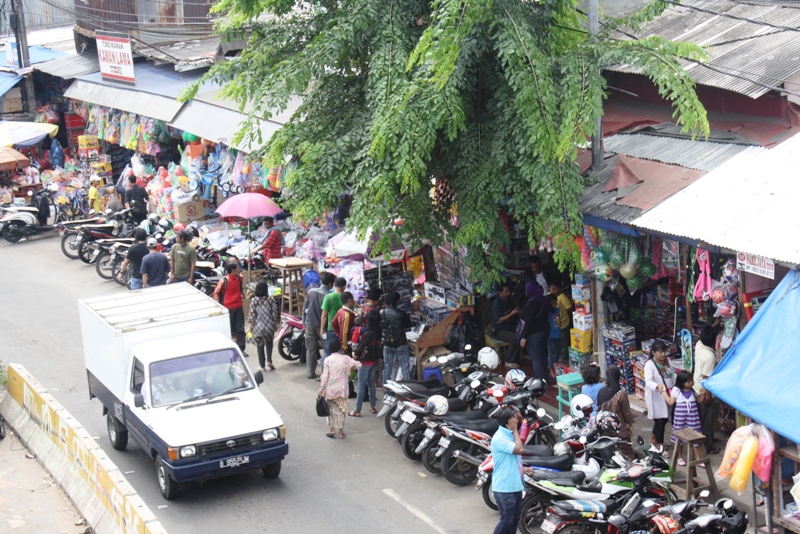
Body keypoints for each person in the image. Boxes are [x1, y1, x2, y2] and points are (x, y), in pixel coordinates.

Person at [490, 406, 536, 534]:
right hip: (505, 488)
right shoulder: (500, 438)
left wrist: (523, 468)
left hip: (515, 486)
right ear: (508, 421)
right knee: (507, 521)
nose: (517, 420)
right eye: (514, 418)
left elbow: (513, 458)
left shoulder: (508, 435)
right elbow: (519, 450)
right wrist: (516, 430)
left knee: (515, 519)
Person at [317, 338, 361, 439]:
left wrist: (321, 390)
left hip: (330, 390)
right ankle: (341, 432)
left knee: (330, 410)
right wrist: (350, 367)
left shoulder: (327, 360)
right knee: (342, 410)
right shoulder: (346, 359)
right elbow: (359, 365)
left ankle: (332, 429)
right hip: (343, 390)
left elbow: (324, 377)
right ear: (340, 347)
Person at [662, 370, 702, 466]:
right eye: (688, 381)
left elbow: (699, 401)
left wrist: (703, 394)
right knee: (679, 437)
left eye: (691, 380)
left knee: (695, 436)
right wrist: (664, 392)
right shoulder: (676, 390)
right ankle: (680, 457)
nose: (691, 383)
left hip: (693, 417)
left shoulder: (693, 390)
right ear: (682, 382)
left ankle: (698, 458)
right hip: (680, 418)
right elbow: (671, 402)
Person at [598, 365, 636, 460]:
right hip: (620, 429)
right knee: (627, 452)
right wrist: (630, 425)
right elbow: (626, 412)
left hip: (605, 429)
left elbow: (598, 410)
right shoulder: (621, 393)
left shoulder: (601, 392)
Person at [644, 340, 675, 455]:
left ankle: (653, 439)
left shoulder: (668, 362)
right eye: (660, 352)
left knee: (665, 419)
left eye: (664, 352)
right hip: (656, 396)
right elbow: (648, 381)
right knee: (660, 421)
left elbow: (671, 376)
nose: (662, 354)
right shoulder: (650, 365)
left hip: (668, 394)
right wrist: (658, 386)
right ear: (653, 352)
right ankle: (660, 446)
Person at [693, 326, 720, 454]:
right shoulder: (710, 356)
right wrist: (709, 396)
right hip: (703, 390)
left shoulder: (699, 345)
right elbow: (706, 378)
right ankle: (708, 446)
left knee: (702, 418)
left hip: (696, 387)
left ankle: (707, 441)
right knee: (707, 420)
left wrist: (716, 323)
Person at [518, 281, 553, 380]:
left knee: (536, 357)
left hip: (534, 334)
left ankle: (539, 380)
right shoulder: (544, 300)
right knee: (542, 355)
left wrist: (524, 337)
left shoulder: (532, 303)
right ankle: (544, 377)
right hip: (544, 330)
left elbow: (529, 322)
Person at [350, 309, 381, 416]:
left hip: (365, 362)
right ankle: (372, 406)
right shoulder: (378, 330)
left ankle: (357, 410)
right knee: (371, 383)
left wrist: (355, 355)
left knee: (361, 386)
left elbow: (361, 346)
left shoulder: (368, 333)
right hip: (374, 360)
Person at [303, 272, 335, 379]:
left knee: (310, 349)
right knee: (327, 350)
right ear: (330, 284)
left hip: (309, 324)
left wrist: (304, 323)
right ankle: (324, 374)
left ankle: (310, 373)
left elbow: (304, 309)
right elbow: (326, 314)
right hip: (323, 327)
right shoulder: (328, 296)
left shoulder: (311, 292)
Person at [214, 262, 247, 356]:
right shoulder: (224, 281)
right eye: (237, 268)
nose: (239, 269)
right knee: (230, 328)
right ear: (232, 271)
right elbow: (216, 292)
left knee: (240, 328)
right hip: (228, 307)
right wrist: (218, 305)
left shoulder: (239, 278)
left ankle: (241, 349)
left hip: (238, 306)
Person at [247, 280, 280, 371]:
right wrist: (275, 325)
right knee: (269, 343)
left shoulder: (254, 300)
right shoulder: (271, 299)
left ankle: (262, 366)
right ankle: (269, 360)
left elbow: (252, 316)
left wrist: (250, 328)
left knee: (260, 346)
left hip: (258, 327)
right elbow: (274, 313)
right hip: (269, 326)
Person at [381, 291, 411, 384]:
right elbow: (407, 325)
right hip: (400, 342)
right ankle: (407, 389)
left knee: (387, 367)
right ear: (397, 301)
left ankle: (386, 390)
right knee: (404, 367)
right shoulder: (401, 313)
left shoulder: (382, 313)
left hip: (387, 342)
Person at [492, 282, 521, 368]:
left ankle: (517, 356)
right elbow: (499, 320)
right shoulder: (497, 303)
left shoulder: (509, 300)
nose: (508, 293)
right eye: (506, 292)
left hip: (509, 327)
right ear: (500, 292)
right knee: (515, 338)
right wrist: (512, 314)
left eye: (509, 291)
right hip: (499, 330)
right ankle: (509, 361)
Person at [320, 277, 347, 363]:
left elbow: (324, 315)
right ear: (344, 286)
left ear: (334, 285)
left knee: (328, 352)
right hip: (344, 329)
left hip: (332, 329)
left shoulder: (328, 297)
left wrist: (322, 328)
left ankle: (325, 374)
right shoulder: (346, 297)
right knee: (344, 352)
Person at [548, 280, 573, 366]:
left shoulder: (563, 297)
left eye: (557, 289)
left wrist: (563, 316)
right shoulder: (548, 296)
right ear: (549, 288)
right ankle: (554, 362)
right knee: (554, 346)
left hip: (563, 325)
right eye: (553, 288)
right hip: (553, 327)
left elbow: (569, 309)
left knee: (563, 343)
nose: (555, 291)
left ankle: (562, 360)